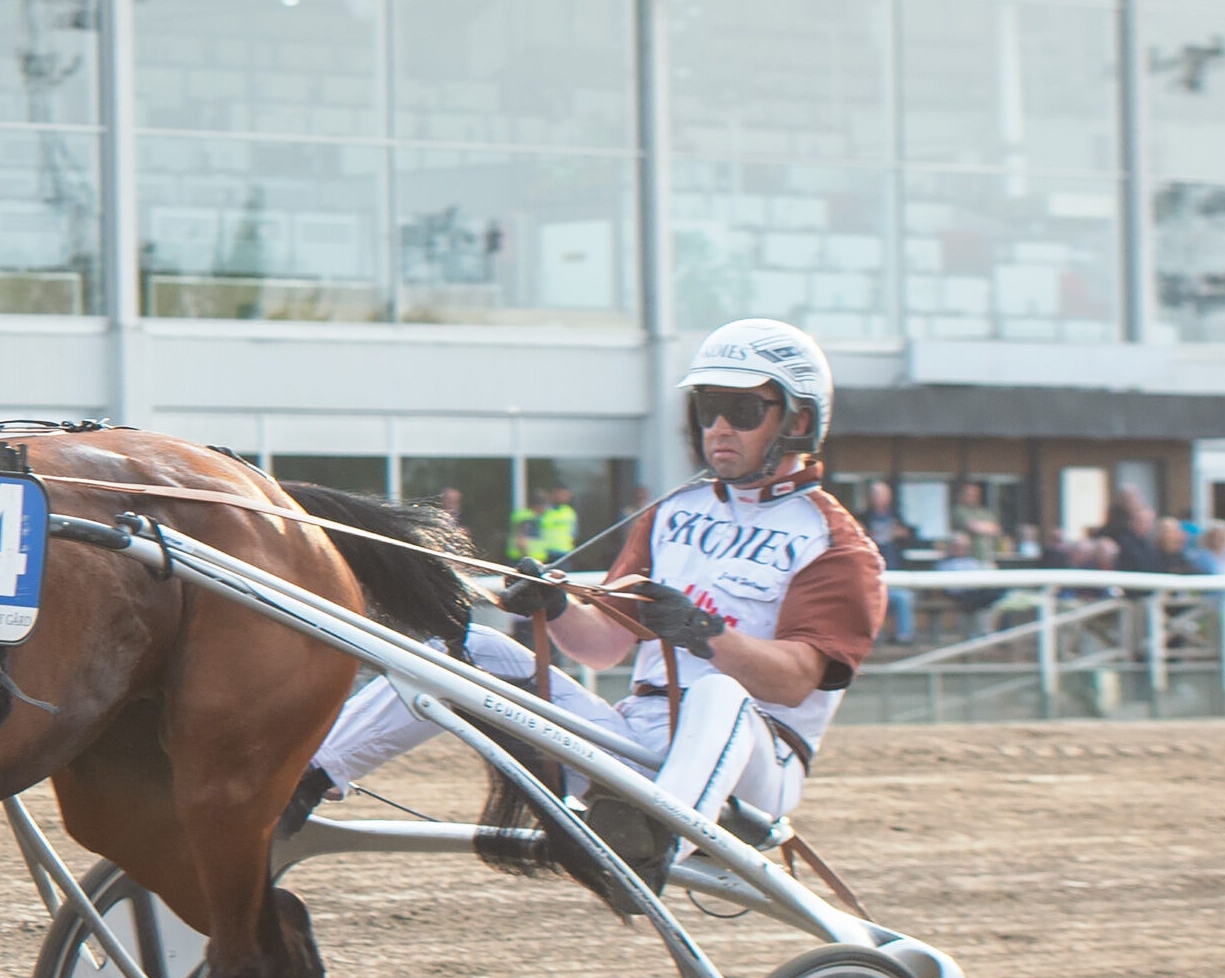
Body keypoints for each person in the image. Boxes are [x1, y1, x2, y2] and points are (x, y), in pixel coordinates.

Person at [295, 319, 882, 877]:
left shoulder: (833, 542)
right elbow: (603, 649)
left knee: (718, 691)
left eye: (744, 410)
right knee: (463, 646)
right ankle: (303, 778)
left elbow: (793, 681)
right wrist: (555, 608)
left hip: (754, 765)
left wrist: (701, 631)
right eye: (708, 408)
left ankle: (656, 841)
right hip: (638, 745)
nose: (719, 427)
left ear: (799, 418)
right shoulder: (673, 514)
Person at [858, 481, 917, 643]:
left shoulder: (897, 516)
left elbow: (912, 538)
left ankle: (903, 637)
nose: (879, 499)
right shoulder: (863, 518)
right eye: (876, 495)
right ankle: (873, 637)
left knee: (903, 597)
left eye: (882, 495)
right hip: (870, 573)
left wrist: (903, 534)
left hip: (894, 571)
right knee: (868, 599)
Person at [537, 484, 579, 562]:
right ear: (554, 493)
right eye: (562, 494)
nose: (566, 497)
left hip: (564, 554)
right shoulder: (541, 510)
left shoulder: (569, 511)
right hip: (543, 554)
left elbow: (574, 534)